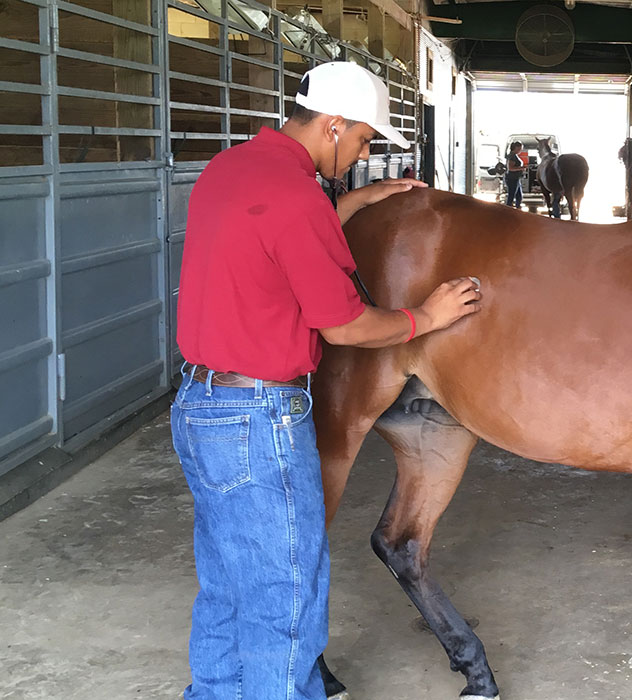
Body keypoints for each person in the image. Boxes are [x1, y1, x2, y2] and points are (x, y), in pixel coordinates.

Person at [172, 60, 483, 700]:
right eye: (365, 139)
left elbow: (268, 238)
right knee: (287, 597)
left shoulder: (232, 170)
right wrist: (426, 316)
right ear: (334, 124)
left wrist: (345, 205)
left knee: (229, 587)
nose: (364, 153)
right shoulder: (296, 197)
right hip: (258, 416)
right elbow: (342, 324)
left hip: (201, 406)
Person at [503, 140, 529, 209]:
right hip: (512, 178)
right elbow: (510, 168)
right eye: (520, 148)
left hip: (516, 178)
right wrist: (521, 168)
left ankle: (517, 208)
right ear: (516, 147)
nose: (521, 150)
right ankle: (508, 209)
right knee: (512, 195)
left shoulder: (514, 156)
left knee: (519, 196)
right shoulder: (512, 156)